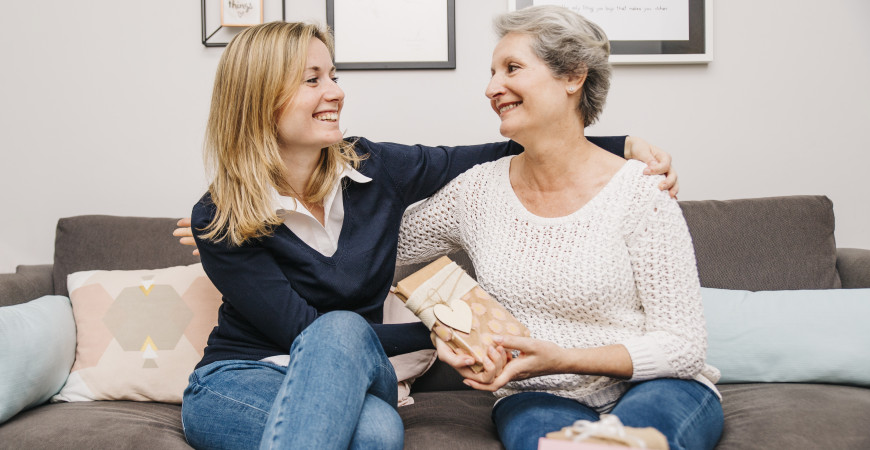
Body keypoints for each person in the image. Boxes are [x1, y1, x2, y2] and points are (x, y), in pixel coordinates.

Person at [179, 20, 677, 450]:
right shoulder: (219, 217)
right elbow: (301, 332)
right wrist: (443, 334)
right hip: (242, 378)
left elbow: (482, 155)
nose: (335, 91)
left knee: (345, 338)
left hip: (359, 372)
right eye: (313, 80)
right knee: (371, 425)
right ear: (261, 97)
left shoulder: (374, 168)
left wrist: (620, 144)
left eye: (333, 75)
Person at [396, 6, 723, 450]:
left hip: (657, 386)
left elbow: (683, 347)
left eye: (512, 68)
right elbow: (382, 247)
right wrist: (447, 327)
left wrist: (564, 358)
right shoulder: (475, 192)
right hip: (534, 396)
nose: (492, 88)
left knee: (626, 444)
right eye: (492, 72)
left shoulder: (639, 191)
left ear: (573, 77)